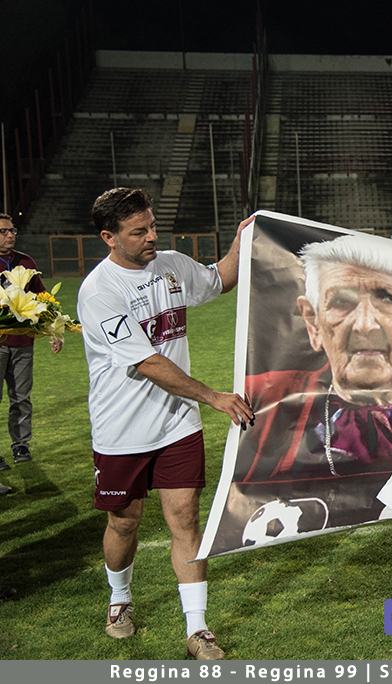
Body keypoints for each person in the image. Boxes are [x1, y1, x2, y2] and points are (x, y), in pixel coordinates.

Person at [77, 188, 254, 660]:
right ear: (109, 237)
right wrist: (213, 396)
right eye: (139, 232)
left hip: (178, 425)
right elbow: (148, 363)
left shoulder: (171, 265)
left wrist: (243, 242)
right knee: (124, 522)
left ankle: (198, 629)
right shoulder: (99, 292)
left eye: (152, 226)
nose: (152, 236)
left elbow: (220, 279)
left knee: (186, 519)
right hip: (122, 431)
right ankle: (119, 600)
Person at [230, 234, 392, 533]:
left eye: (388, 298)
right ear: (312, 322)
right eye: (341, 302)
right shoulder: (269, 399)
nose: (365, 325)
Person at [0, 213, 62, 471]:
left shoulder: (26, 262)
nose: (10, 235)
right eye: (4, 231)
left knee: (21, 397)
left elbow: (43, 298)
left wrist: (55, 330)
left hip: (23, 342)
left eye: (12, 230)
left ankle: (21, 445)